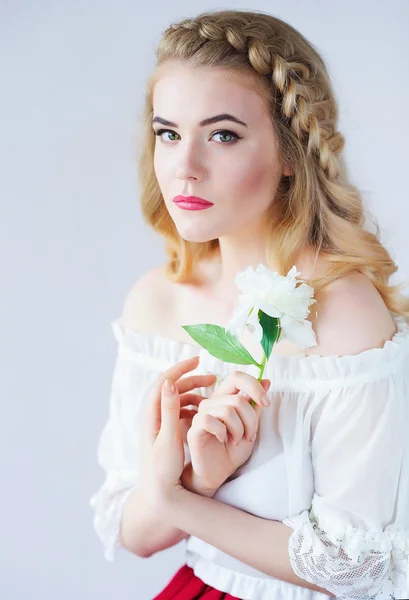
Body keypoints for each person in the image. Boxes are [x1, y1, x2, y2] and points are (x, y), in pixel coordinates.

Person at [89, 9, 409, 600]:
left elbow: (355, 568)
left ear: (292, 153)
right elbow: (133, 533)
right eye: (169, 133)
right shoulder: (156, 303)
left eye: (223, 135)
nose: (184, 167)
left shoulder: (346, 318)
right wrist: (197, 479)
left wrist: (175, 496)